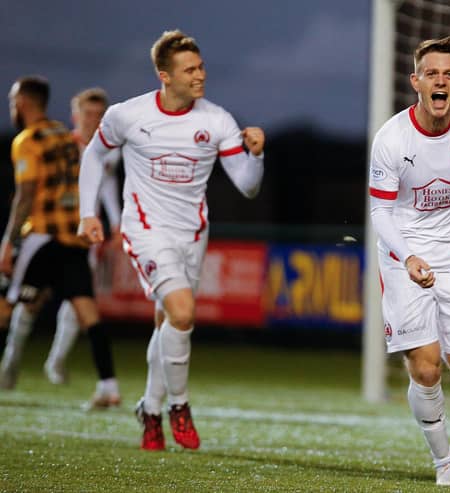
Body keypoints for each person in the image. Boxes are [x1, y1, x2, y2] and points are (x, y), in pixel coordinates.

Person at [78, 30, 265, 451]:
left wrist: (257, 154)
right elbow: (93, 153)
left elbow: (248, 186)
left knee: (169, 324)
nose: (200, 75)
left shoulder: (216, 120)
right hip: (145, 230)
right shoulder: (129, 115)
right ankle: (179, 405)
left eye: (200, 67)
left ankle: (149, 407)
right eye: (190, 70)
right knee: (182, 313)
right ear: (165, 75)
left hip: (193, 233)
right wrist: (87, 213)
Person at [368, 36, 450, 487]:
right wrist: (407, 257)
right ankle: (446, 463)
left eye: (448, 74)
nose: (440, 81)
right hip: (403, 259)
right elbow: (380, 213)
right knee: (425, 367)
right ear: (416, 82)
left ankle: (436, 331)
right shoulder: (391, 139)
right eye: (431, 74)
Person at [0, 76, 121, 410]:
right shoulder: (66, 140)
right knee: (87, 313)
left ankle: (19, 365)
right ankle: (109, 385)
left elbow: (25, 197)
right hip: (75, 239)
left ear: (22, 102)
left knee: (7, 302)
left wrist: (8, 243)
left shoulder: (29, 139)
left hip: (42, 236)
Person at [43, 87, 123, 385]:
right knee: (29, 300)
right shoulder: (62, 145)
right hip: (49, 231)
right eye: (88, 113)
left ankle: (56, 361)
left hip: (84, 235)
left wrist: (116, 223)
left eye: (99, 114)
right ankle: (10, 365)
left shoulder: (109, 152)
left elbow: (107, 189)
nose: (93, 119)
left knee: (78, 300)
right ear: (75, 115)